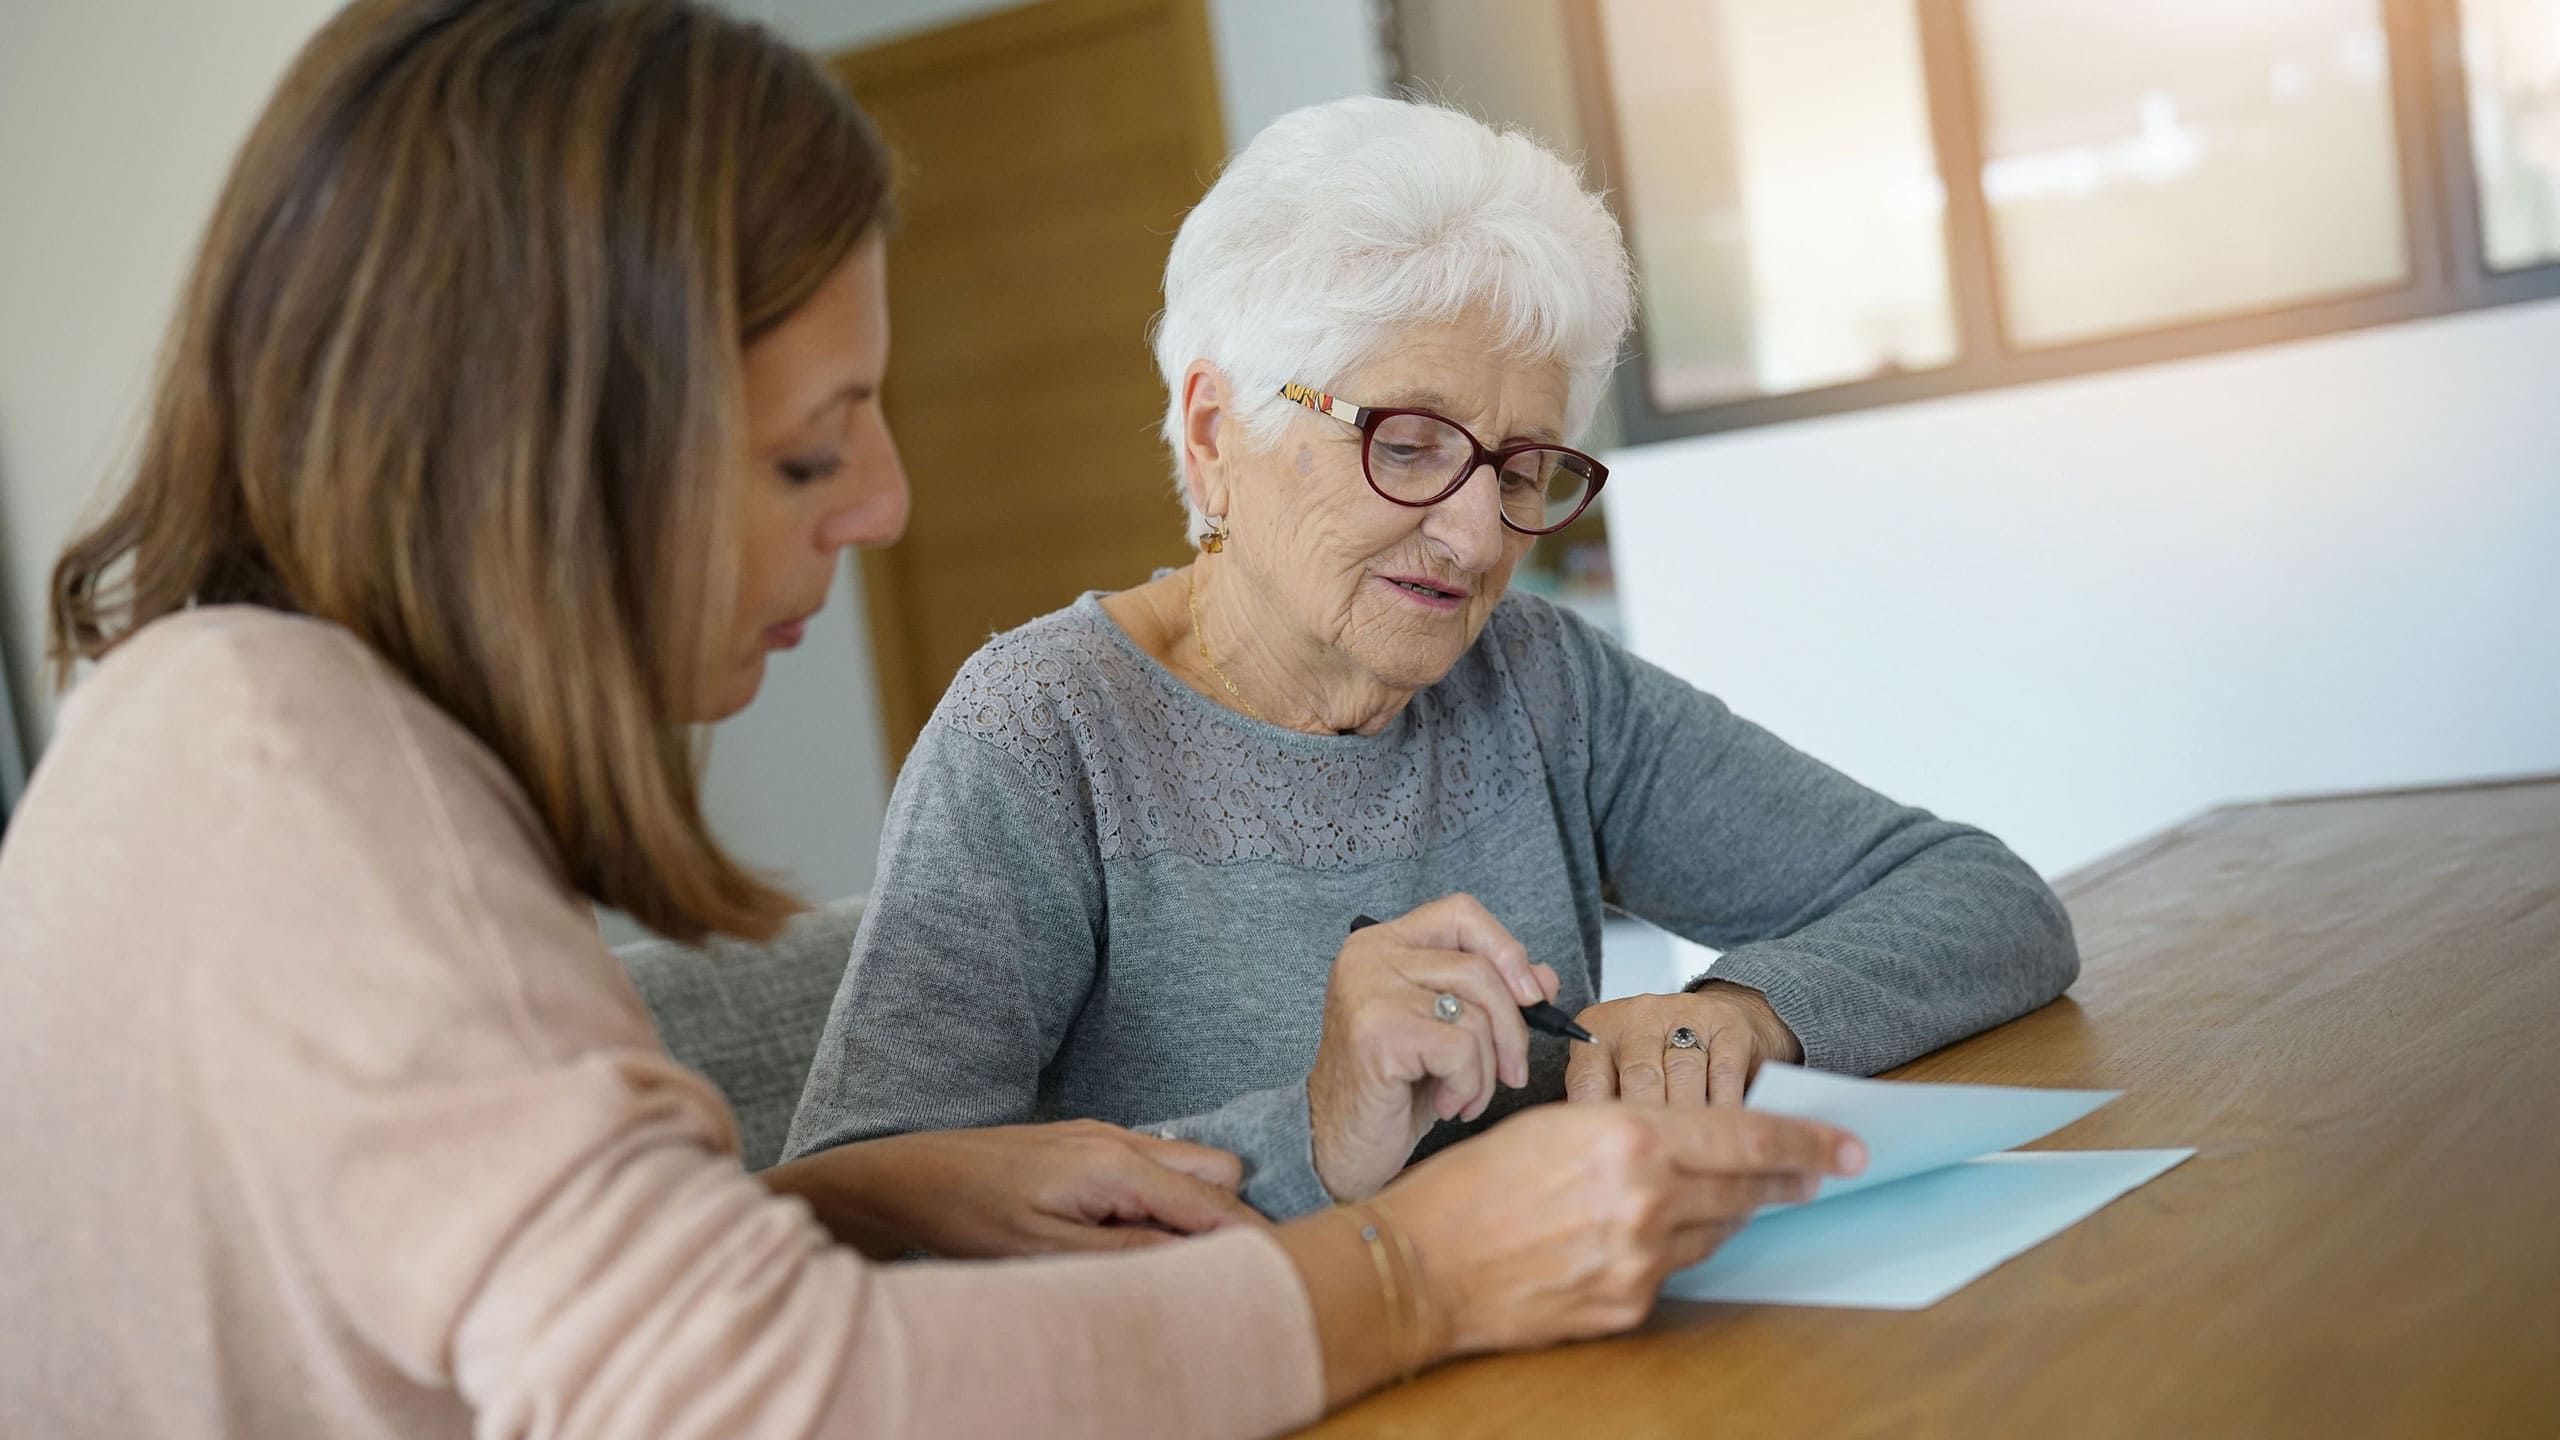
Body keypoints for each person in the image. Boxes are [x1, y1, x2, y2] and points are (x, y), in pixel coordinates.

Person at [0, 5, 1865, 1436]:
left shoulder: (272, 743)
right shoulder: (281, 789)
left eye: (1523, 463)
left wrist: (871, 1198)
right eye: (810, 446)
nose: (883, 505)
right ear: (540, 447)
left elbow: (614, 1315)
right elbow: (766, 1398)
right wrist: (1408, 1274)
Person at [788, 95, 2078, 1219]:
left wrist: (1742, 1013)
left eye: (1523, 465)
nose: (1473, 535)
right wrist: (1317, 1135)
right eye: (1407, 442)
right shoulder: (1046, 730)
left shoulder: (1534, 680)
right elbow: (865, 1205)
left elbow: (1981, 899)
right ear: (1215, 428)